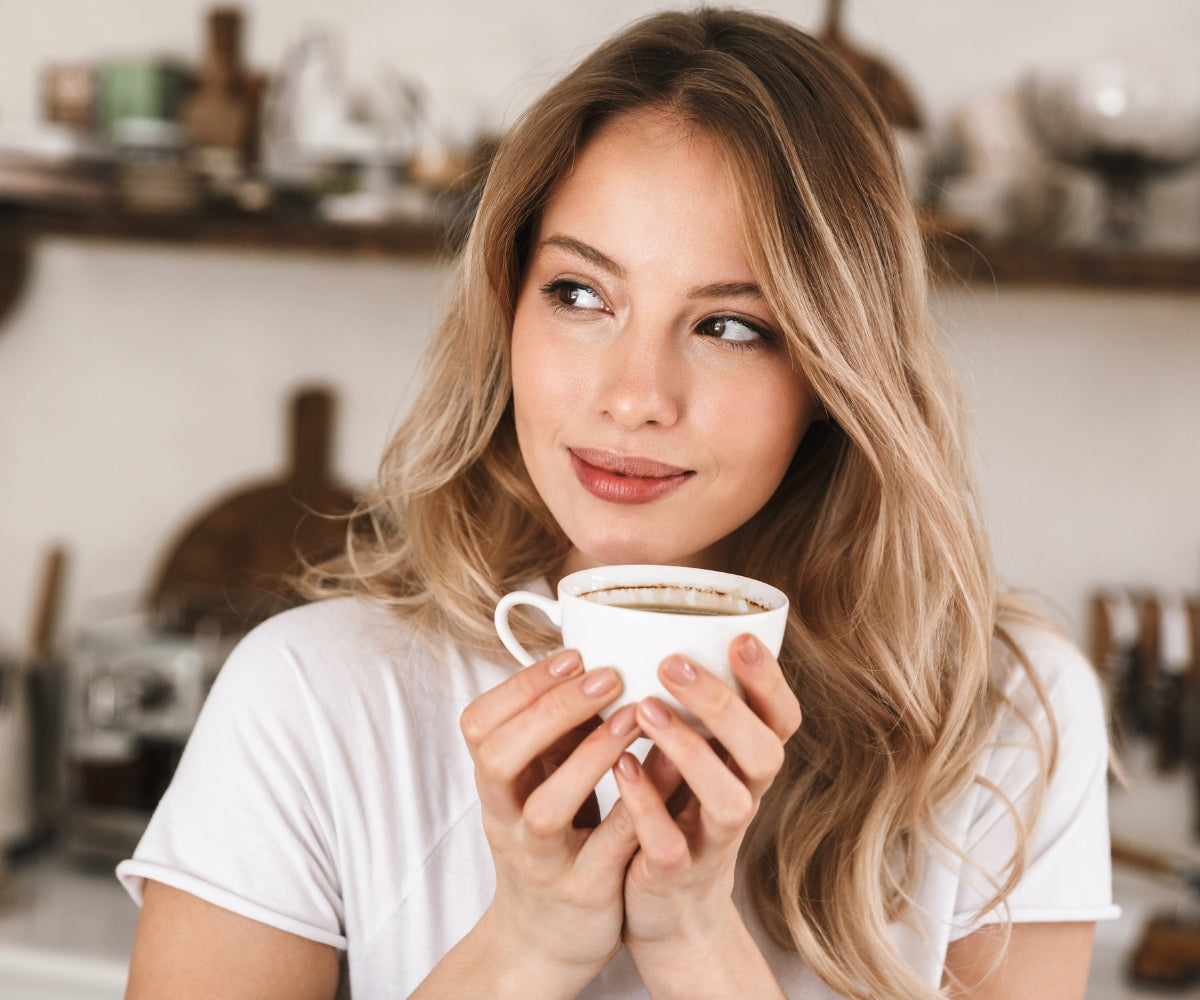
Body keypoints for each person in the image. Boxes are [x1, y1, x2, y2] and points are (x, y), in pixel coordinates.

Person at [117, 8, 1119, 999]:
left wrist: (694, 940)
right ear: (508, 306)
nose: (636, 396)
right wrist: (529, 946)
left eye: (729, 324)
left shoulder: (1002, 719)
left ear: (833, 374)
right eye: (582, 295)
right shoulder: (311, 697)